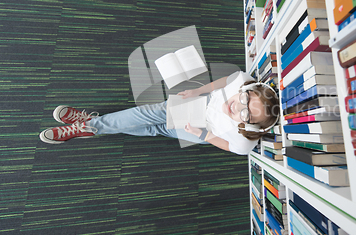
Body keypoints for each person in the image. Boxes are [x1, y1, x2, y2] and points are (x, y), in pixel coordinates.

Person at [39, 71, 280, 155]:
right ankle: (90, 127)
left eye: (246, 115)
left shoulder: (244, 142)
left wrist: (201, 134)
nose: (237, 106)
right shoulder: (243, 80)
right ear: (248, 89)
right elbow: (224, 81)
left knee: (156, 128)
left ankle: (90, 124)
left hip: (201, 130)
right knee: (148, 114)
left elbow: (227, 145)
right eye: (245, 98)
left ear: (250, 126)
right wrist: (197, 90)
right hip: (200, 104)